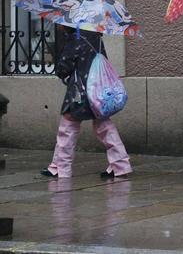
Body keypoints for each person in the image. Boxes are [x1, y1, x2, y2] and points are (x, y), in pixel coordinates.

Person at [41, 26, 132, 179]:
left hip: (80, 91)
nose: (58, 26)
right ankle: (120, 165)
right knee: (104, 125)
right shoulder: (96, 37)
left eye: (60, 23)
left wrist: (61, 65)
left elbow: (64, 68)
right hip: (98, 90)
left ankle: (61, 168)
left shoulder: (75, 38)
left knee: (68, 126)